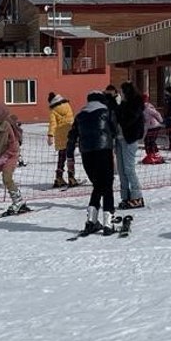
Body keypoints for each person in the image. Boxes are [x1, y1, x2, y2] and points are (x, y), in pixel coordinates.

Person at [67, 90, 120, 235]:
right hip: (104, 151)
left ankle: (91, 220)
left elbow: (72, 136)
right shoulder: (107, 112)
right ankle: (109, 223)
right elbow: (115, 130)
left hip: (86, 153)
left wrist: (69, 156)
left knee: (97, 185)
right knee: (107, 185)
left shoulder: (80, 116)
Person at [0, 102, 29, 216]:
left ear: (0, 114)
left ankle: (18, 201)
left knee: (6, 178)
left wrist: (6, 155)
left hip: (11, 155)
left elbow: (14, 144)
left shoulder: (7, 125)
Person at [114, 82, 146, 209]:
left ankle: (137, 197)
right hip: (119, 139)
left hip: (129, 139)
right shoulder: (123, 104)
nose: (120, 94)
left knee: (129, 169)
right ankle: (125, 196)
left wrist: (120, 110)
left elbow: (128, 120)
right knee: (121, 171)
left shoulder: (135, 104)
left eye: (121, 92)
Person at [46, 92, 78, 188]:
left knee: (61, 157)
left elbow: (53, 124)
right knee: (70, 156)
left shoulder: (53, 111)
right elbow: (72, 119)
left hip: (60, 136)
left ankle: (58, 178)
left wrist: (50, 135)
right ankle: (71, 177)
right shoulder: (68, 106)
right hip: (70, 134)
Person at [141, 95, 165, 164]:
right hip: (149, 127)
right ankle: (150, 155)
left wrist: (161, 120)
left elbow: (156, 114)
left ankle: (155, 155)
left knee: (151, 141)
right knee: (147, 141)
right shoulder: (141, 108)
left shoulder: (147, 107)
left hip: (154, 126)